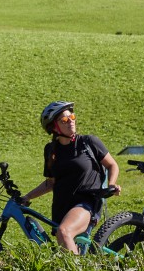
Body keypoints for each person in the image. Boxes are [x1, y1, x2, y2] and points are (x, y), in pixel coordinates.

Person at [20, 100, 121, 254]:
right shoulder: (51, 150)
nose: (71, 122)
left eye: (72, 117)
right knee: (68, 249)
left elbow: (112, 165)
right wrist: (28, 196)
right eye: (65, 120)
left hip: (86, 203)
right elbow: (51, 183)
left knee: (64, 232)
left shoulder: (88, 142)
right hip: (62, 207)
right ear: (54, 127)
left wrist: (111, 185)